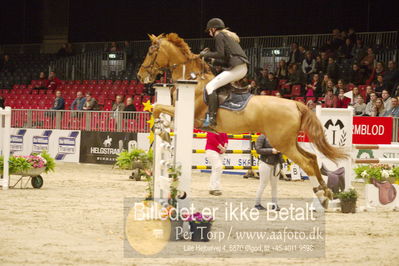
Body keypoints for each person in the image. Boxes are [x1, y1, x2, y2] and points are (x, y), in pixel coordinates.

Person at [200, 18, 249, 127]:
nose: (209, 32)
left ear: (213, 28)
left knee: (210, 87)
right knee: (218, 87)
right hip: (239, 67)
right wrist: (213, 60)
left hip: (237, 69)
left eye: (209, 30)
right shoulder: (226, 36)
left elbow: (220, 53)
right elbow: (225, 58)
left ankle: (211, 119)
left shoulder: (219, 35)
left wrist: (206, 54)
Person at [254, 134, 281, 211]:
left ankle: (274, 204)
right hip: (265, 163)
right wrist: (271, 151)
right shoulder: (262, 136)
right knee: (263, 184)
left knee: (274, 185)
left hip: (276, 163)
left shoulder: (278, 136)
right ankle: (257, 204)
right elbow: (258, 149)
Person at [205, 132, 228, 196]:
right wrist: (222, 148)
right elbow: (212, 139)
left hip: (221, 151)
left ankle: (213, 187)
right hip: (211, 149)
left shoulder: (222, 128)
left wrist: (225, 147)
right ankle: (214, 188)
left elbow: (226, 137)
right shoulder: (211, 129)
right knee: (218, 167)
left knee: (217, 169)